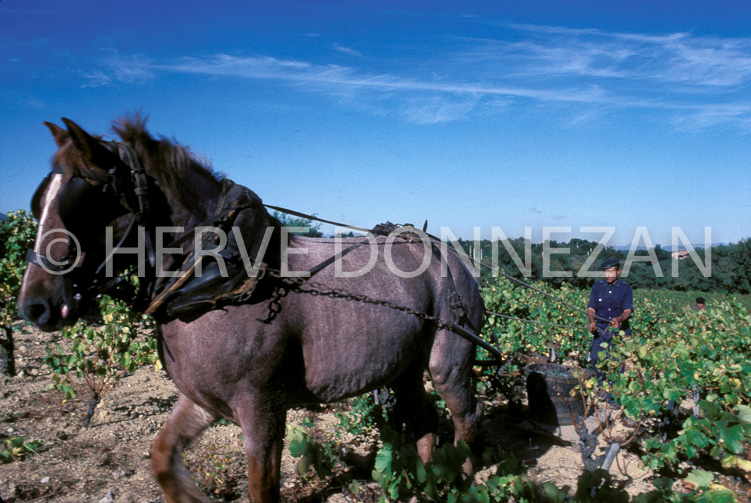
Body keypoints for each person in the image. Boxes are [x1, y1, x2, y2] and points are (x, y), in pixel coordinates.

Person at [587, 258, 633, 408]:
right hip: (600, 329)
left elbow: (628, 310)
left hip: (617, 332)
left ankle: (612, 397)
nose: (608, 274)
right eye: (606, 272)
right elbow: (591, 308)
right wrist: (592, 322)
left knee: (617, 363)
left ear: (618, 271)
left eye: (611, 271)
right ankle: (602, 386)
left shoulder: (626, 288)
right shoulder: (597, 286)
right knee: (595, 358)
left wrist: (619, 319)